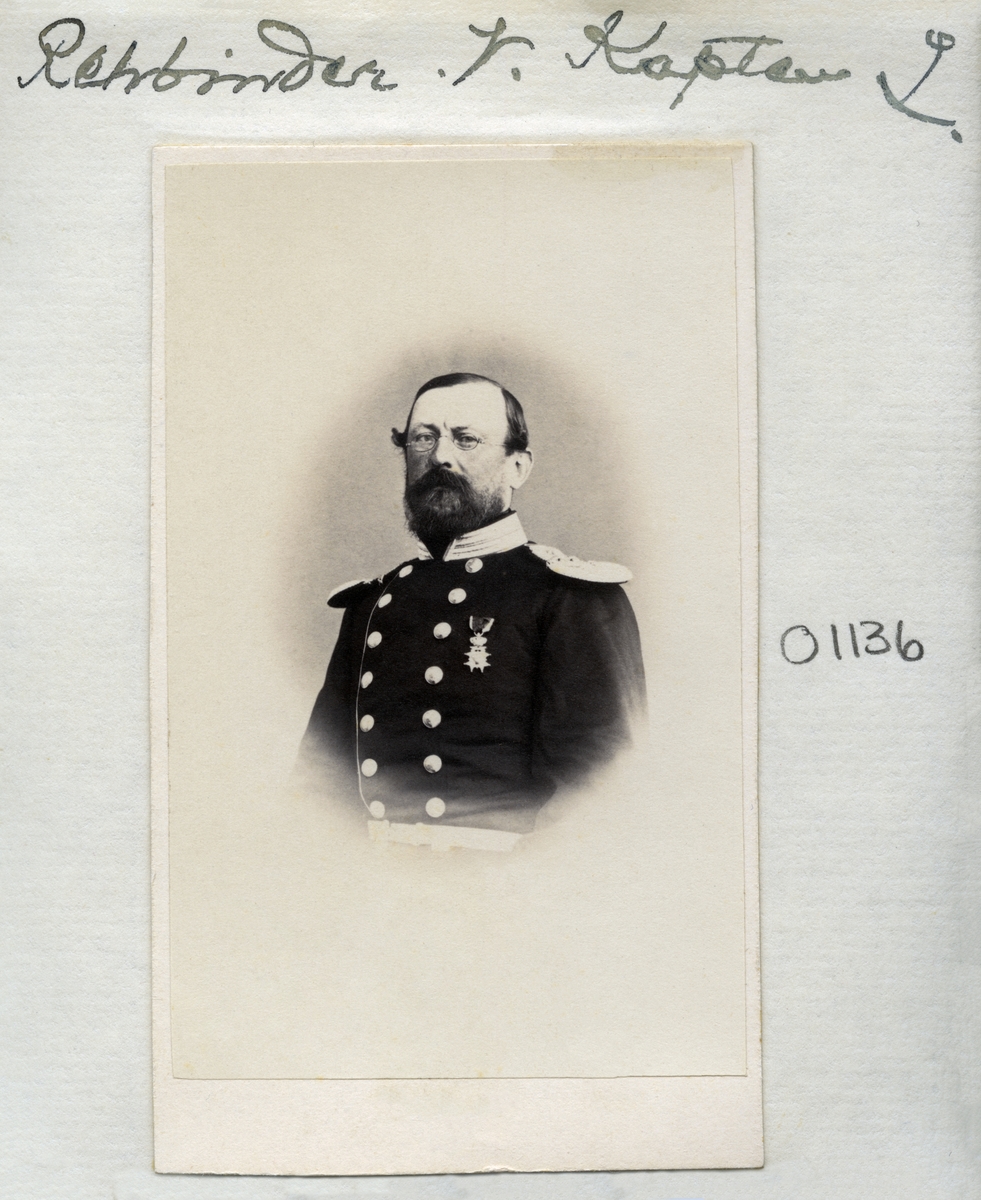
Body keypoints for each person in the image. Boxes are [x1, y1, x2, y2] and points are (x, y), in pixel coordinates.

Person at [299, 372, 646, 851]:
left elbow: (604, 795)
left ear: (517, 467)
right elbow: (315, 785)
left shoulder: (571, 598)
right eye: (423, 438)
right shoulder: (371, 603)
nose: (440, 456)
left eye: (466, 439)